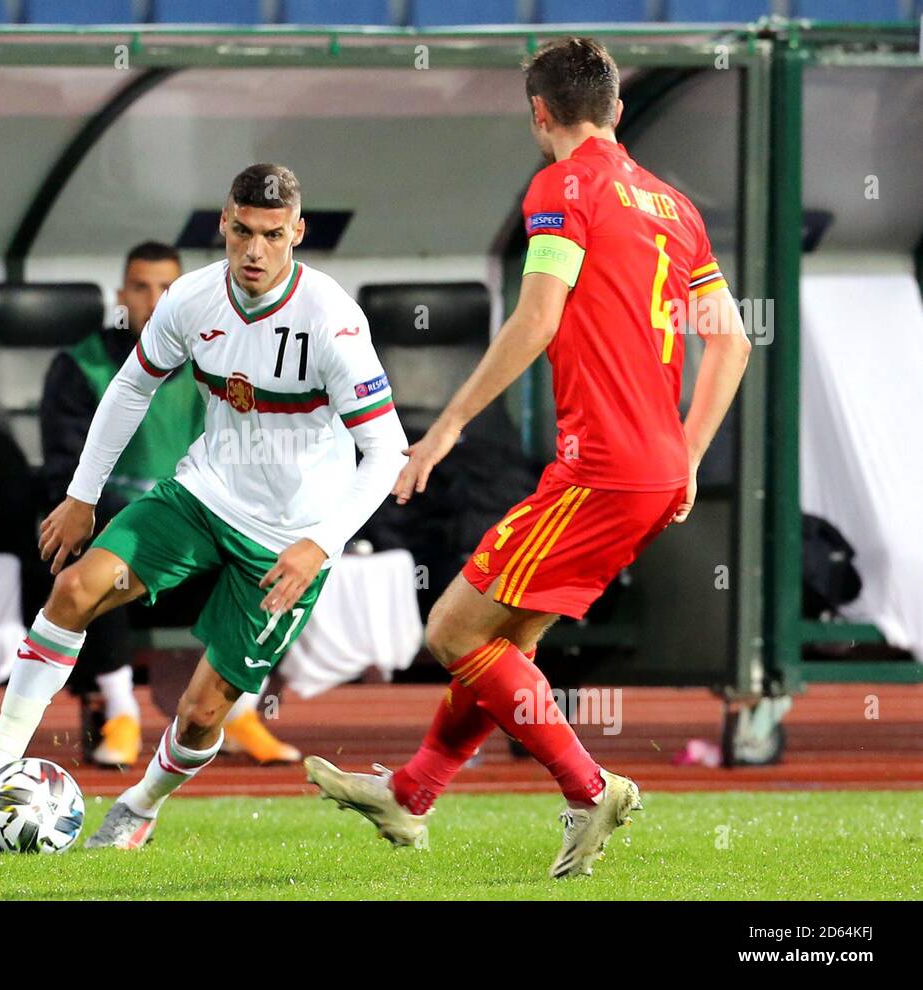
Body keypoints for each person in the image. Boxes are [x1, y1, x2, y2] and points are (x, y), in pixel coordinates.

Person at [305, 37, 752, 879]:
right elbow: (730, 344)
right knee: (507, 639)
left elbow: (537, 317)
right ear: (618, 110)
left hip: (602, 467)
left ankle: (589, 788)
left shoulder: (562, 188)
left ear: (539, 113)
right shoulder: (674, 207)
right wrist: (688, 455)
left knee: (452, 630)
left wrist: (445, 428)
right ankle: (414, 792)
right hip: (652, 471)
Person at [0, 163, 408, 847]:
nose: (255, 250)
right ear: (223, 225)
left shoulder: (332, 323)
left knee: (203, 712)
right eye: (242, 231)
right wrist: (82, 495)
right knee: (76, 585)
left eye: (271, 235)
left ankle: (141, 804)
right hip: (203, 498)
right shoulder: (192, 299)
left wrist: (319, 545)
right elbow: (129, 389)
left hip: (289, 539)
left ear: (297, 232)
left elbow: (387, 450)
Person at [39, 241, 301, 767]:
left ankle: (240, 709)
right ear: (121, 295)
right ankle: (119, 712)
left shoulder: (220, 358)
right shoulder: (81, 366)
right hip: (133, 530)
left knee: (287, 548)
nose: (154, 300)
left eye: (166, 288)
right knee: (106, 541)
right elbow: (64, 470)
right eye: (140, 287)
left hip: (207, 532)